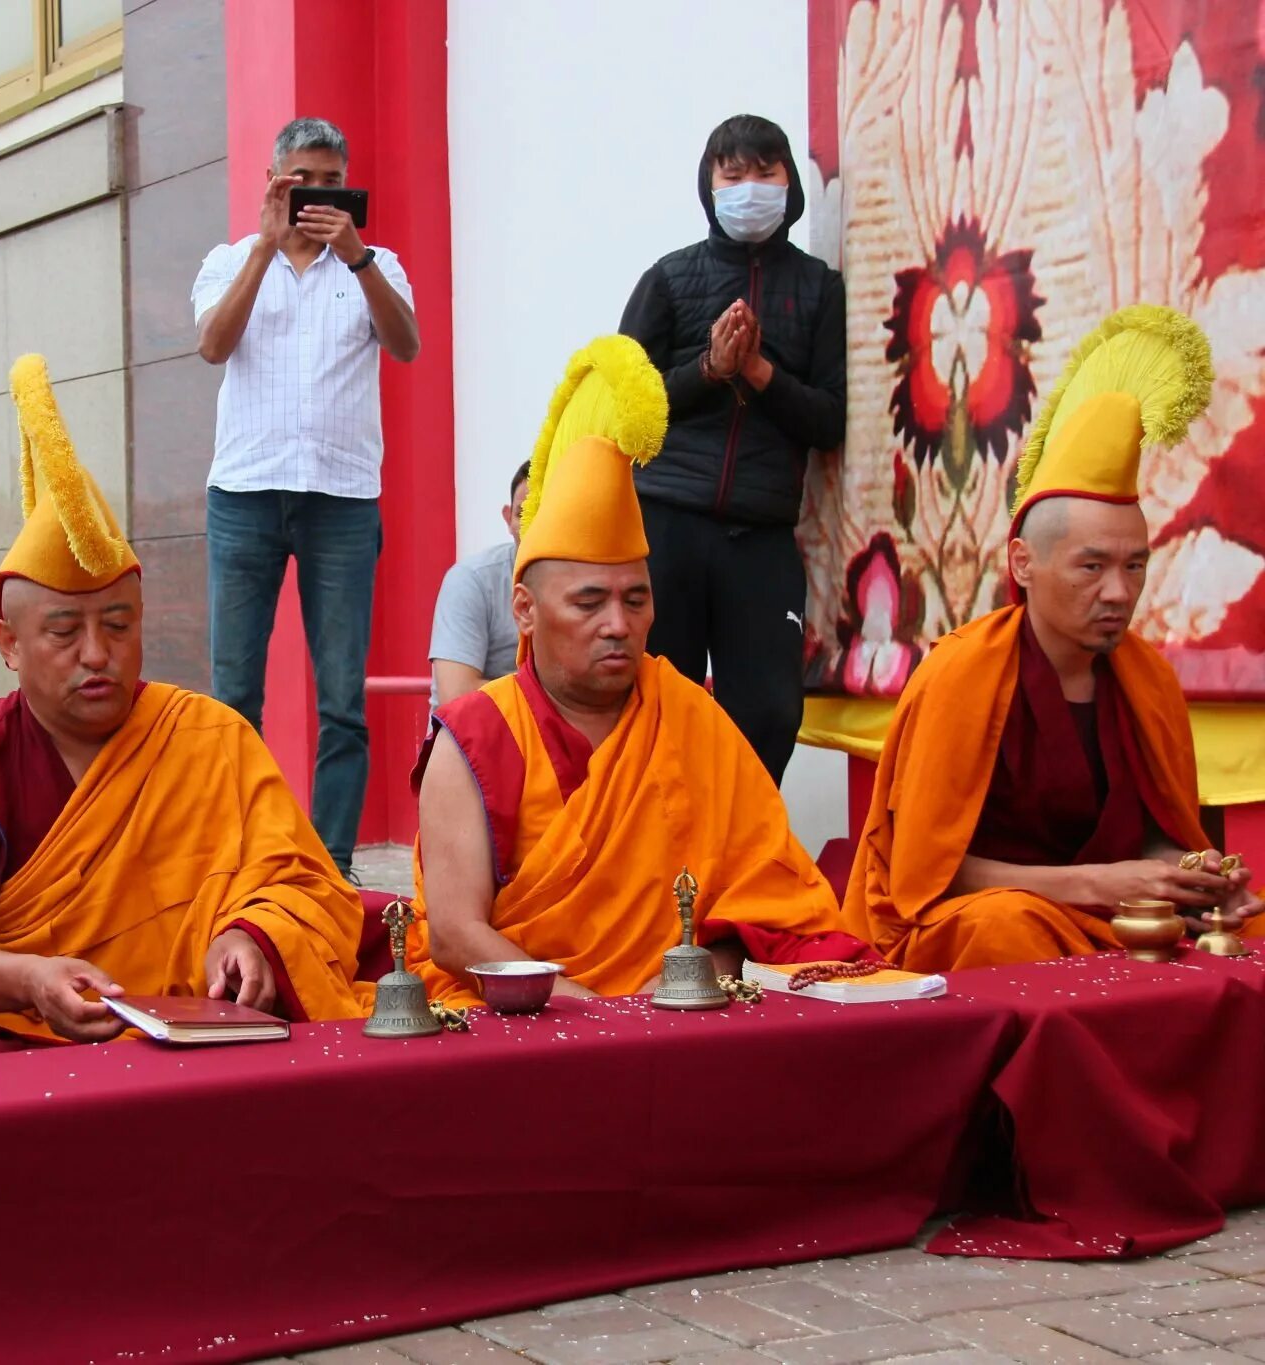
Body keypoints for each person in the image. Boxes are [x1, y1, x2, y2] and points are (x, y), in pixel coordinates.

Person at [0, 355, 371, 1061]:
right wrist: (30, 977)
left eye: (119, 625)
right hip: (20, 1024)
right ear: (9, 643)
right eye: (64, 632)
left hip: (199, 1018)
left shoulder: (208, 735)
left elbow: (301, 881)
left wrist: (249, 936)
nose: (97, 652)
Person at [408, 337, 866, 1007]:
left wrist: (694, 972)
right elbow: (454, 933)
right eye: (589, 603)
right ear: (526, 610)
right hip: (512, 1014)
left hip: (675, 1010)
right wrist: (585, 1008)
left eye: (636, 598)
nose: (618, 623)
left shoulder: (689, 719)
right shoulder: (475, 737)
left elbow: (764, 904)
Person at [844, 307, 1259, 971]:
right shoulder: (963, 676)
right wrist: (1100, 884)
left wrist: (1191, 879)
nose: (1119, 592)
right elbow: (925, 876)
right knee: (1011, 928)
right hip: (960, 925)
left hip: (1104, 917)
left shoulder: (1147, 681)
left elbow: (1154, 841)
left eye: (1134, 566)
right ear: (1022, 565)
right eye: (1092, 566)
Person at [191, 115, 419, 876]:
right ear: (275, 181)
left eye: (333, 181)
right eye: (304, 180)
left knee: (342, 697)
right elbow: (214, 345)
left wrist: (357, 260)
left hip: (342, 500)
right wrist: (262, 246)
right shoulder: (229, 260)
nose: (320, 195)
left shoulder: (377, 263)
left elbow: (407, 343)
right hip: (246, 494)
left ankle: (332, 860)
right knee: (233, 695)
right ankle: (242, 854)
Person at [619, 114, 845, 785]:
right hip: (668, 523)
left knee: (771, 711)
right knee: (658, 704)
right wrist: (709, 370)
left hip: (762, 532)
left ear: (790, 185)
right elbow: (626, 406)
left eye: (765, 172)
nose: (750, 187)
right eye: (734, 173)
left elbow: (831, 419)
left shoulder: (819, 289)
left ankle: (736, 846)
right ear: (709, 184)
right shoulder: (668, 278)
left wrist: (760, 374)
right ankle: (663, 855)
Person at [430, 460, 530, 707]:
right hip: (472, 738)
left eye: (546, 512)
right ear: (508, 518)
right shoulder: (472, 580)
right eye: (524, 513)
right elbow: (456, 694)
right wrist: (552, 696)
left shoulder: (592, 580)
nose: (534, 526)